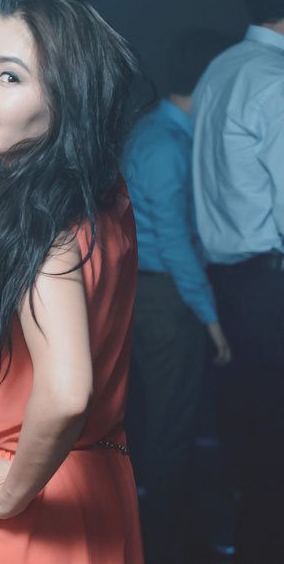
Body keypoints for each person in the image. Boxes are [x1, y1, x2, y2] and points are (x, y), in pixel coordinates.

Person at [0, 0, 145, 563]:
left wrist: (8, 495)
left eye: (10, 77)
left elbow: (67, 392)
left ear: (67, 100)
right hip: (90, 483)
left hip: (27, 502)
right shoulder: (100, 195)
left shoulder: (39, 223)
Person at [121, 28, 232, 564]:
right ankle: (165, 545)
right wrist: (211, 316)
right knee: (172, 422)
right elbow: (174, 243)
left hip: (145, 292)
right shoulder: (165, 144)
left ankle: (158, 537)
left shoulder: (154, 132)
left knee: (157, 419)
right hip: (163, 296)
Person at [190, 0, 284, 564]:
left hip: (230, 283)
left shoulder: (221, 68)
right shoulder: (274, 80)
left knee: (254, 442)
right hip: (270, 284)